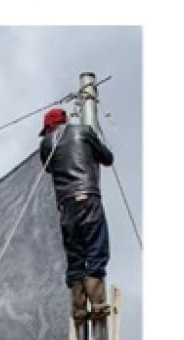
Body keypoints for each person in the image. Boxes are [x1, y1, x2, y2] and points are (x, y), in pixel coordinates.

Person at [38, 107, 114, 322]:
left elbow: (49, 168)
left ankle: (79, 306)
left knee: (75, 254)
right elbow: (107, 158)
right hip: (87, 196)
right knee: (97, 248)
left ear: (49, 127)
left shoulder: (46, 144)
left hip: (66, 205)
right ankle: (98, 301)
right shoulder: (84, 131)